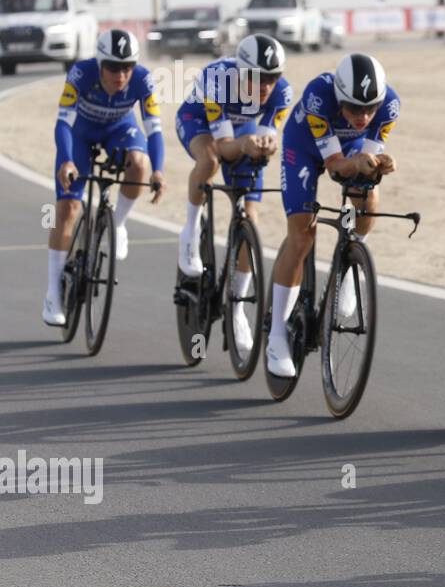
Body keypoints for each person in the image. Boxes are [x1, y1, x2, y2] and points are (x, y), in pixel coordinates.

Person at [264, 54, 399, 377]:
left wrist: (379, 164)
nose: (364, 116)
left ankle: (351, 268)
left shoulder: (390, 105)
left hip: (348, 150)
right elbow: (336, 165)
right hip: (305, 150)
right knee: (302, 236)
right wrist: (360, 163)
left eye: (370, 109)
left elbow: (364, 159)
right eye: (354, 109)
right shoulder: (317, 95)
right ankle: (277, 336)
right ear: (339, 98)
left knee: (368, 193)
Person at [173, 34, 292, 351]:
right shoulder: (217, 79)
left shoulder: (282, 93)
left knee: (250, 217)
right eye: (257, 78)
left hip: (240, 133)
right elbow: (225, 149)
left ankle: (237, 307)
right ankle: (190, 228)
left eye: (272, 78)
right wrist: (244, 144)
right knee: (210, 161)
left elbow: (266, 140)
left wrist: (266, 144)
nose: (265, 86)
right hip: (198, 122)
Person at [42, 29, 165, 325]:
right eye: (112, 67)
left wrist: (158, 169)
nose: (120, 75)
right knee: (68, 208)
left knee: (139, 164)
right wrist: (68, 160)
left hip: (119, 130)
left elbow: (154, 129)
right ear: (99, 64)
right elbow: (62, 124)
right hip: (79, 135)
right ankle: (52, 294)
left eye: (127, 67)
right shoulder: (80, 74)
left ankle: (118, 225)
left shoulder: (143, 79)